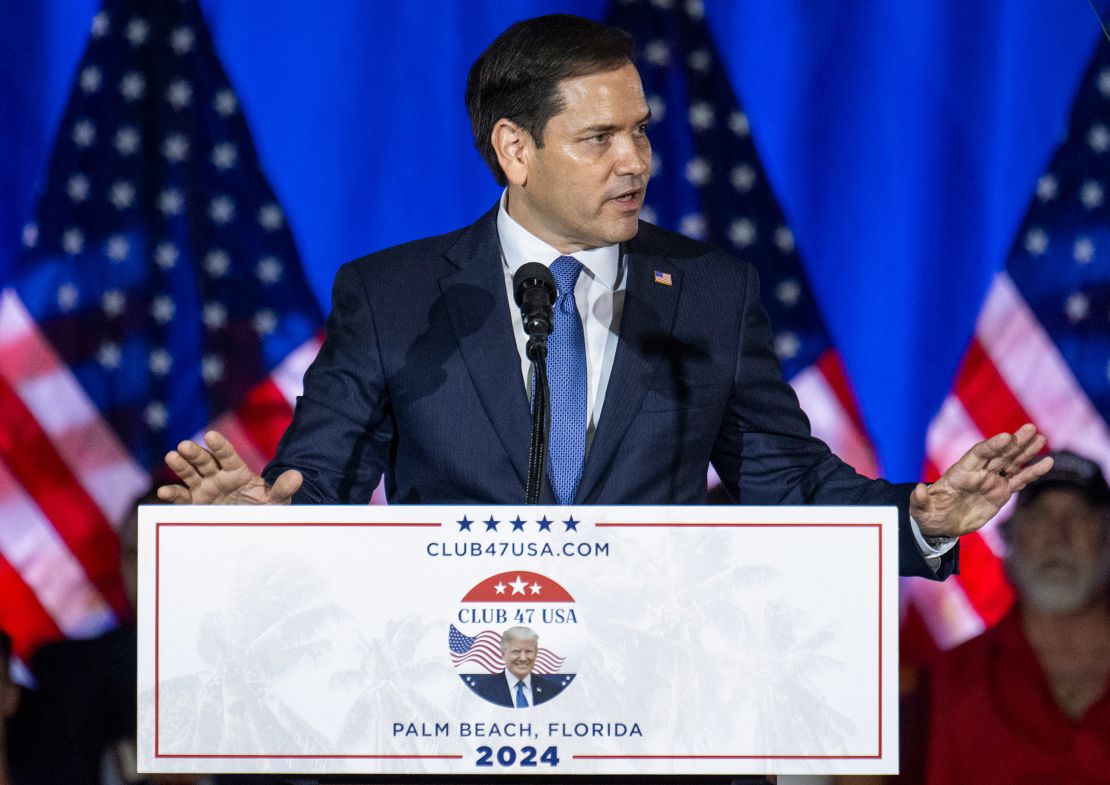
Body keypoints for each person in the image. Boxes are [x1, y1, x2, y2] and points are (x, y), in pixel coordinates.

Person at [157, 14, 1051, 580]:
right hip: (455, 705)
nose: (636, 161)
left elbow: (786, 483)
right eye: (598, 138)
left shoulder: (707, 292)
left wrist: (917, 516)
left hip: (658, 715)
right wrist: (254, 528)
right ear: (515, 149)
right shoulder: (394, 297)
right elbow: (324, 491)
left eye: (640, 132)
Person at [924, 450, 1110, 784]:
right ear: (1010, 537)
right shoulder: (948, 680)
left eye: (1078, 516)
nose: (1057, 537)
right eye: (1039, 517)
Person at [467, 627, 566, 708]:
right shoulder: (482, 690)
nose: (523, 658)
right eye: (516, 652)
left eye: (528, 651)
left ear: (536, 654)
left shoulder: (553, 690)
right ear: (503, 654)